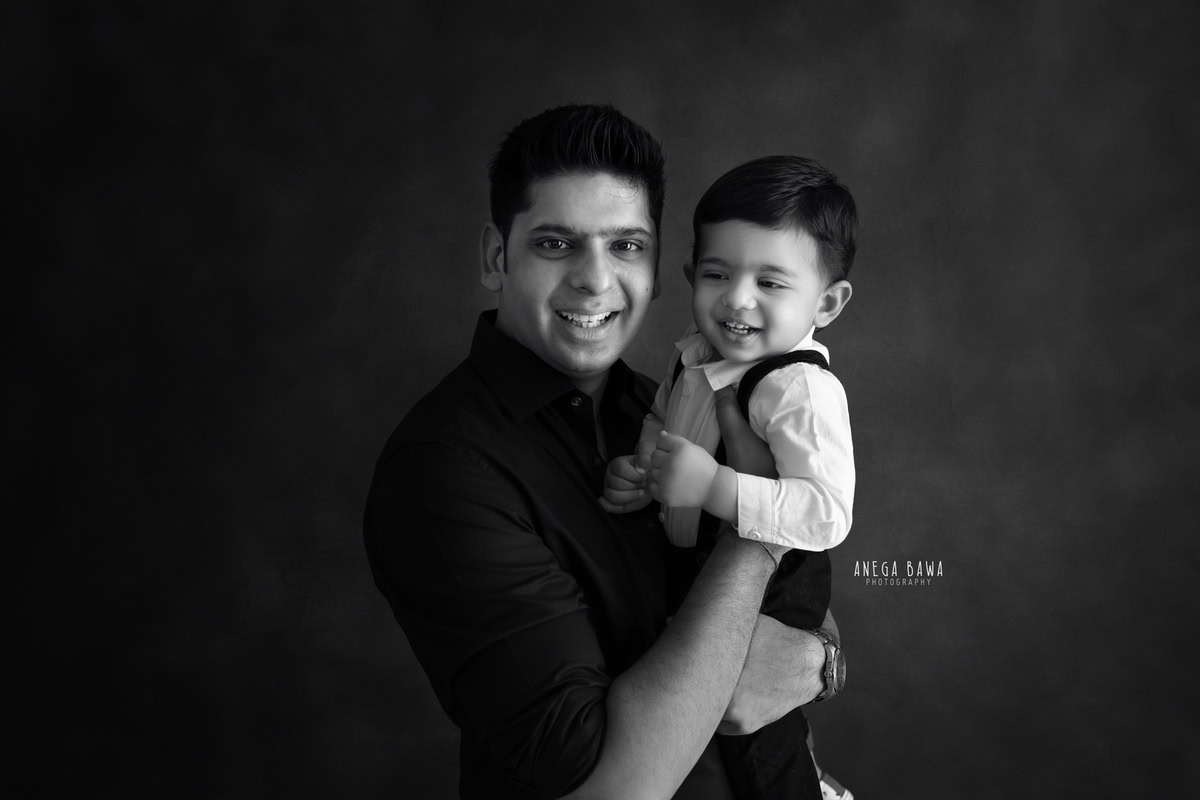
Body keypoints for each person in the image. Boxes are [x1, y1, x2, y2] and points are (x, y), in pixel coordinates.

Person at [363, 104, 842, 800]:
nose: (595, 279)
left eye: (625, 245)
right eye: (557, 244)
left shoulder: (668, 403)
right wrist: (754, 522)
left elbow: (804, 594)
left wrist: (824, 660)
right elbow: (614, 789)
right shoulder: (444, 470)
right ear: (499, 257)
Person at [601, 155, 858, 799]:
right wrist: (642, 466)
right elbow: (666, 419)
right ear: (690, 274)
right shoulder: (694, 353)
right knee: (689, 718)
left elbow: (826, 513)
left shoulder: (798, 388)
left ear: (825, 302)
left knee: (755, 734)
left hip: (777, 580)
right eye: (718, 273)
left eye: (771, 283)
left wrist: (715, 488)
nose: (737, 299)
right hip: (696, 565)